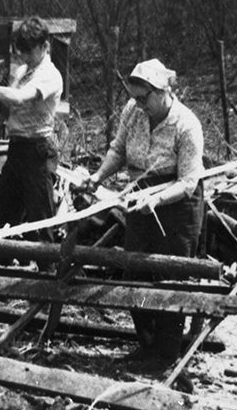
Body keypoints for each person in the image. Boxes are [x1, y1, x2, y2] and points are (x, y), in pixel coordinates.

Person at [80, 59, 205, 370]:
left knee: (170, 277)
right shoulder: (132, 111)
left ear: (162, 91)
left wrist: (158, 199)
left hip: (177, 202)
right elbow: (119, 151)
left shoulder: (186, 125)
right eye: (134, 98)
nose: (138, 104)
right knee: (134, 270)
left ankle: (167, 354)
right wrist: (98, 177)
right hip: (140, 194)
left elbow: (189, 182)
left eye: (143, 98)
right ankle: (147, 345)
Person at [0, 16, 63, 243]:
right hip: (17, 147)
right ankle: (0, 267)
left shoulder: (50, 75)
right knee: (3, 214)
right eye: (21, 51)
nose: (24, 56)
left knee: (41, 219)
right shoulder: (23, 72)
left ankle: (47, 272)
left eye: (29, 51)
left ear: (45, 46)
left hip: (37, 150)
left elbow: (18, 98)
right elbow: (9, 109)